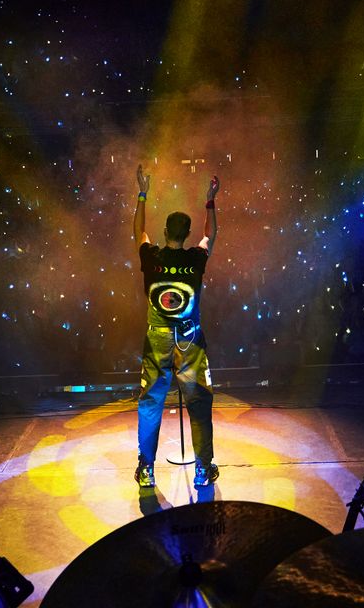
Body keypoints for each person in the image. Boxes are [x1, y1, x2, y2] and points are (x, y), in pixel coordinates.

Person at [132, 164, 220, 489]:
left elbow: (137, 231)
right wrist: (210, 200)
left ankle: (146, 470)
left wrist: (142, 193)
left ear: (166, 232)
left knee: (151, 404)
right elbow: (211, 235)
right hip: (189, 340)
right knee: (198, 405)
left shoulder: (151, 256)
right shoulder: (195, 258)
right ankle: (202, 469)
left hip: (157, 339)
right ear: (185, 234)